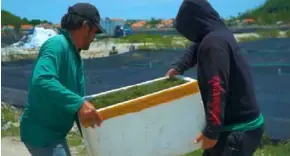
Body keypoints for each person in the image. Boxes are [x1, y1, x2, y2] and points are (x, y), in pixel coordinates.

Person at [166, 0, 264, 155]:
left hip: (238, 129)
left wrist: (212, 132)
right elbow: (198, 45)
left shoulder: (213, 44)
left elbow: (217, 87)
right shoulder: (219, 33)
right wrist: (178, 67)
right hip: (243, 124)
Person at [20, 3, 105, 156]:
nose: (94, 37)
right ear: (85, 26)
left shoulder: (75, 55)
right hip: (42, 133)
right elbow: (42, 80)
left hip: (55, 132)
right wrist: (79, 104)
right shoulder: (56, 45)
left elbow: (79, 99)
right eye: (95, 31)